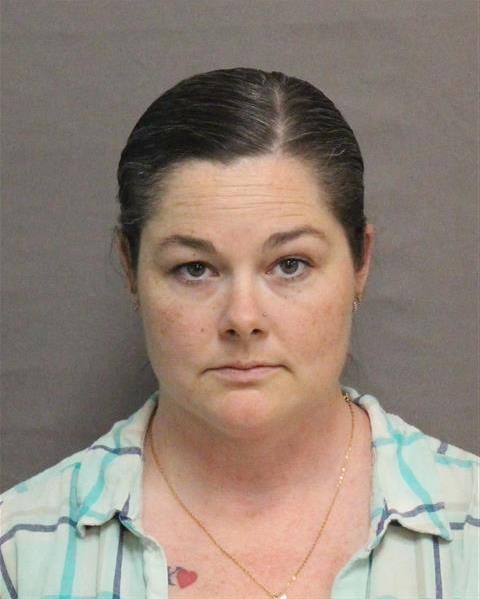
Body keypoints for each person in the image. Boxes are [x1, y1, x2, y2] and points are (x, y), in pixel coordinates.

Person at [0, 67, 478, 599]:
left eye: (290, 264)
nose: (243, 318)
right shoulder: (18, 553)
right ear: (131, 270)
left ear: (360, 262)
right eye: (195, 269)